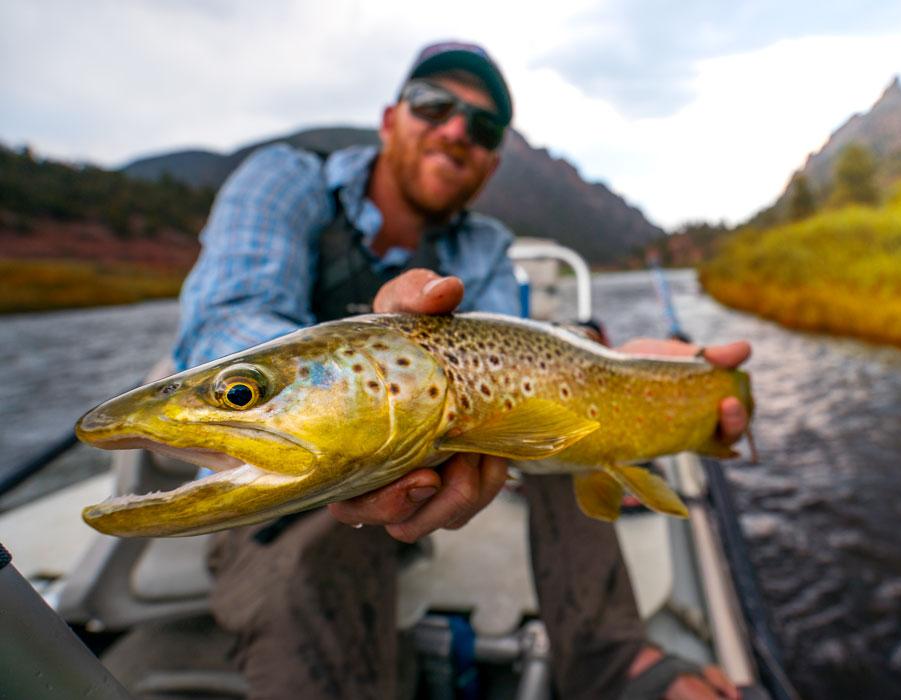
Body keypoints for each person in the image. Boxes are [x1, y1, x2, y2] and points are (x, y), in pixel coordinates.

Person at [172, 40, 750, 700]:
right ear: (391, 118)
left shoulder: (482, 245)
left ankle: (613, 661)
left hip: (432, 470)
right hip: (279, 488)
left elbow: (520, 364)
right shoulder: (285, 180)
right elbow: (226, 323)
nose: (455, 131)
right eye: (433, 105)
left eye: (481, 127)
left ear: (492, 161)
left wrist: (618, 371)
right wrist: (359, 380)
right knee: (316, 554)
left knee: (563, 417)